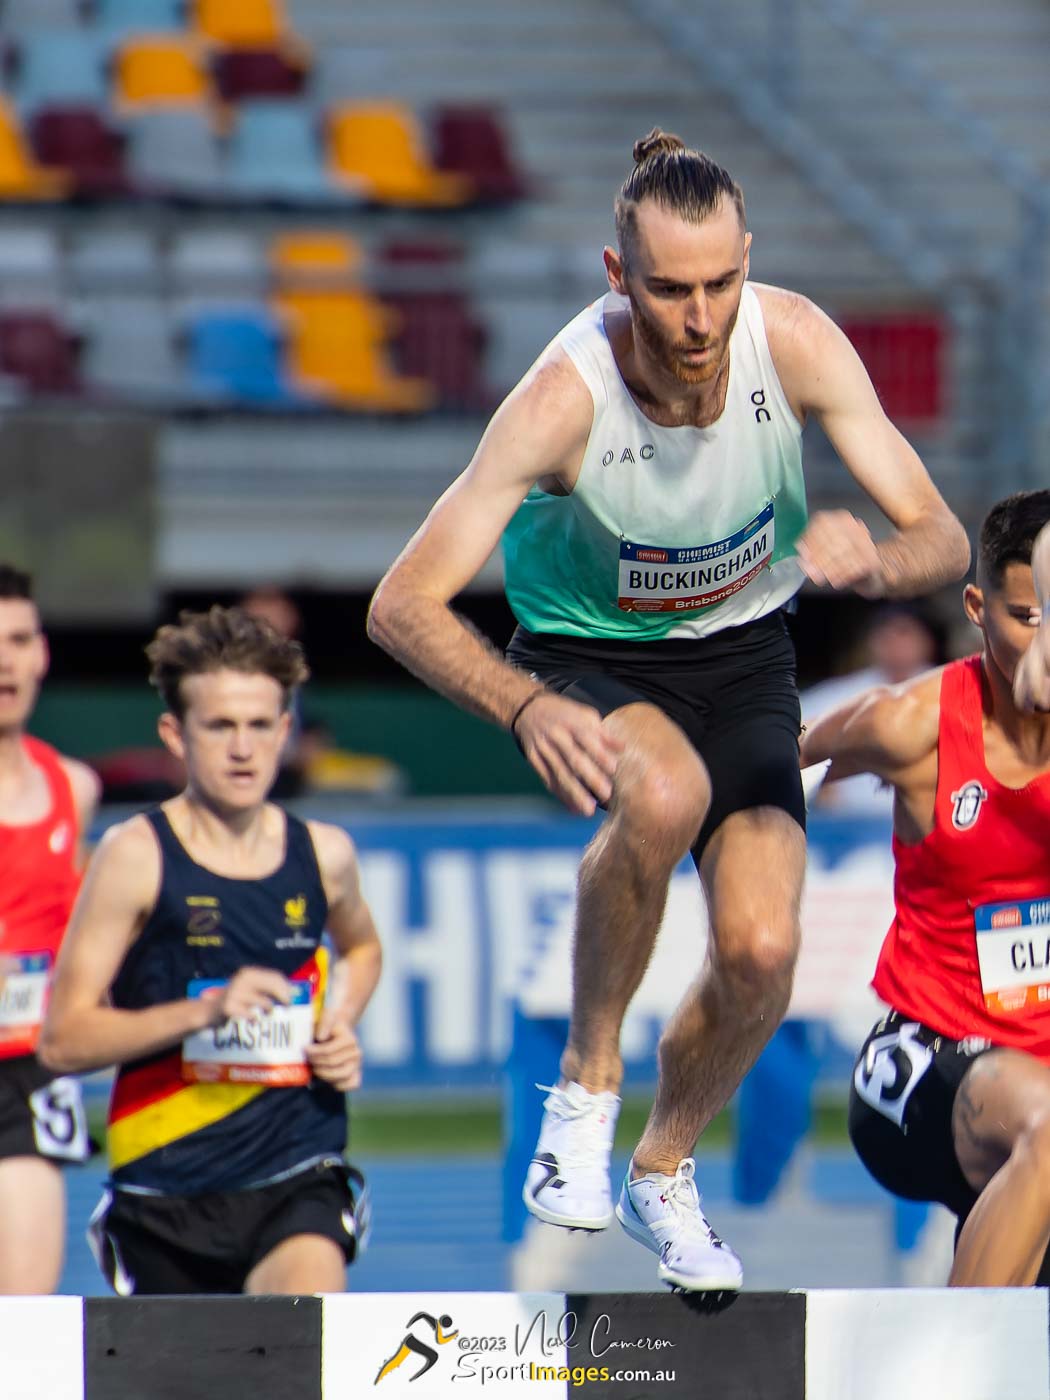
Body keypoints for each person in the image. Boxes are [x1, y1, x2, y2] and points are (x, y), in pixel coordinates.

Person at [367, 129, 969, 1291]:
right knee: (661, 791)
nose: (700, 321)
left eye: (720, 284)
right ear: (614, 274)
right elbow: (402, 604)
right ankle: (586, 1092)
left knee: (762, 946)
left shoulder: (793, 341)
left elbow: (939, 532)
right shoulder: (558, 399)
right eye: (669, 290)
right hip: (588, 654)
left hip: (744, 655)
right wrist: (517, 702)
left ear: (750, 260)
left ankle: (663, 1166)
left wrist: (878, 562)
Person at [39, 605, 381, 1295]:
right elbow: (64, 1039)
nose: (243, 748)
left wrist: (339, 1021)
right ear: (176, 733)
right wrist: (204, 1013)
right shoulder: (134, 856)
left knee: (305, 1346)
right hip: (164, 1188)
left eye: (260, 726)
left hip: (297, 1171)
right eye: (220, 726)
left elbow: (363, 949)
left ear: (287, 731)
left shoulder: (325, 854)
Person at [800, 490, 1050, 1286]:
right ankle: (963, 1362)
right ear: (978, 609)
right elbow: (755, 761)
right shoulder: (908, 726)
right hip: (924, 1066)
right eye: (1027, 618)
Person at [0, 564, 100, 1295]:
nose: (5, 658)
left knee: (23, 1326)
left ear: (41, 653)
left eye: (19, 639)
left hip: (28, 1073)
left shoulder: (75, 786)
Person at [800, 603, 941, 814]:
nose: (896, 645)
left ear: (926, 641)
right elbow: (790, 732)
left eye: (903, 634)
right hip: (849, 824)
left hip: (932, 817)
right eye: (887, 637)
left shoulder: (949, 685)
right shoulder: (842, 694)